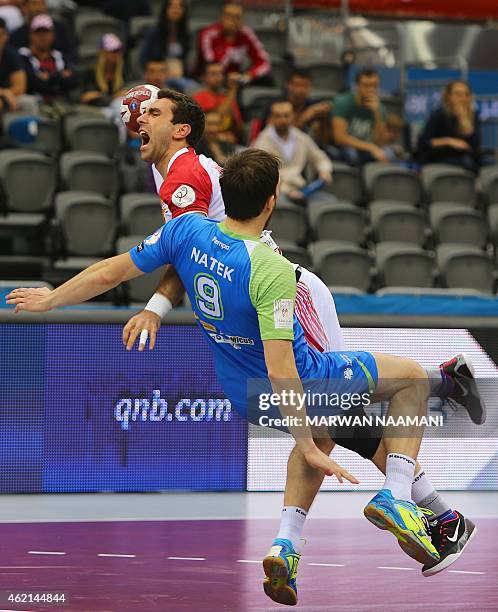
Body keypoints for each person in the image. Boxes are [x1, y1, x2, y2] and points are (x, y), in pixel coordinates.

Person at [7, 146, 479, 606]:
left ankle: (286, 545)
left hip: (241, 394)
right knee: (410, 379)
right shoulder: (271, 270)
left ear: (223, 192)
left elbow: (113, 271)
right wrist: (310, 444)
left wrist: (51, 299)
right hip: (303, 382)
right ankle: (398, 496)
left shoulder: (186, 231)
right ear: (272, 201)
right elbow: (283, 369)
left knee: (323, 432)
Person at [254, 99, 333, 203]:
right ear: (271, 118)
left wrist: (324, 170)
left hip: (301, 189)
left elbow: (319, 157)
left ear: (293, 116)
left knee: (328, 201)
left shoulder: (301, 137)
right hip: (275, 191)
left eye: (286, 115)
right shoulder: (262, 142)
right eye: (278, 116)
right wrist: (287, 190)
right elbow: (263, 176)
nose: (282, 120)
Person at [195, 1, 270, 86]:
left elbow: (264, 62)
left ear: (242, 19)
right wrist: (229, 42)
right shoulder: (208, 33)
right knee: (216, 76)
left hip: (235, 78)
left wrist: (248, 75)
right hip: (209, 78)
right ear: (221, 17)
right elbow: (211, 65)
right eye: (228, 16)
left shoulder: (246, 33)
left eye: (237, 17)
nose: (232, 20)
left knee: (267, 79)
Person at [416, 81, 483, 172]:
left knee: (488, 162)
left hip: (465, 156)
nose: (463, 98)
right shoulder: (439, 114)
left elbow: (475, 145)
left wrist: (464, 121)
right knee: (467, 163)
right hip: (440, 156)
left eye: (467, 95)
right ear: (448, 97)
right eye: (458, 94)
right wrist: (448, 141)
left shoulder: (473, 116)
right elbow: (423, 142)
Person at [332, 68, 389, 166]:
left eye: (374, 86)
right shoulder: (343, 102)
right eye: (366, 86)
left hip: (367, 148)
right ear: (357, 86)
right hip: (346, 147)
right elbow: (339, 138)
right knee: (352, 154)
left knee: (388, 154)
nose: (371, 90)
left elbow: (381, 142)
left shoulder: (380, 108)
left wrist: (377, 113)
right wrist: (370, 147)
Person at [19, 14, 77, 106]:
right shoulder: (23, 56)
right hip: (36, 104)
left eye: (46, 32)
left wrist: (48, 78)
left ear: (53, 35)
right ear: (31, 35)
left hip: (62, 103)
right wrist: (59, 76)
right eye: (38, 33)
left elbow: (72, 81)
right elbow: (33, 83)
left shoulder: (60, 56)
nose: (42, 37)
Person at [10, 0, 75, 62]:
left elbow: (71, 53)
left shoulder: (60, 28)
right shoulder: (17, 35)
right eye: (34, 3)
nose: (39, 8)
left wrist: (66, 67)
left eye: (42, 3)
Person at [193, 62, 243, 143]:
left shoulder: (227, 97)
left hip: (230, 142)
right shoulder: (200, 97)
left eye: (221, 73)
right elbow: (217, 117)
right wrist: (233, 89)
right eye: (213, 74)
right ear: (204, 77)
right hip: (207, 143)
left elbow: (239, 127)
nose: (219, 77)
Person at [140, 0, 190, 69]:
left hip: (179, 73)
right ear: (165, 9)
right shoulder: (153, 33)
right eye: (172, 6)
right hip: (158, 72)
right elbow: (143, 59)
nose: (176, 9)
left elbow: (187, 61)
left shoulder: (186, 34)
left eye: (179, 6)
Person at [80, 33, 124, 107]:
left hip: (116, 106)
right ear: (103, 52)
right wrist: (113, 97)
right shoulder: (90, 72)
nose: (116, 54)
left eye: (118, 51)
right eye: (113, 51)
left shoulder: (122, 71)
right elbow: (85, 97)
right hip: (97, 110)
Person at [0, 16, 26, 112]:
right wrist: (3, 92)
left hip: (7, 94)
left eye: (0, 36)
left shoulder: (12, 54)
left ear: (6, 36)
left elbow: (20, 87)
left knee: (27, 102)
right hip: (4, 94)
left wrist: (5, 92)